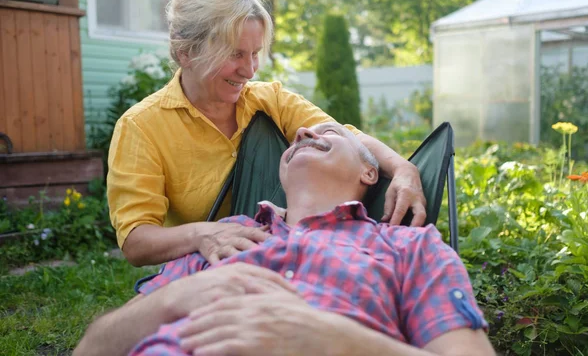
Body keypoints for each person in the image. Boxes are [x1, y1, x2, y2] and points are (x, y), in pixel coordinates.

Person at [76, 122, 495, 356]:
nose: (301, 135)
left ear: (370, 174)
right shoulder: (219, 240)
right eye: (295, 139)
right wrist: (170, 299)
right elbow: (90, 349)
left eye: (328, 132)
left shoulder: (408, 247)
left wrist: (340, 342)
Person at [107, 0, 428, 268]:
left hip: (295, 258)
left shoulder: (269, 99)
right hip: (212, 271)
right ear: (185, 52)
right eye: (235, 54)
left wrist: (403, 169)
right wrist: (203, 235)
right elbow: (136, 241)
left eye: (255, 53)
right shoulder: (142, 127)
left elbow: (341, 138)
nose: (249, 70)